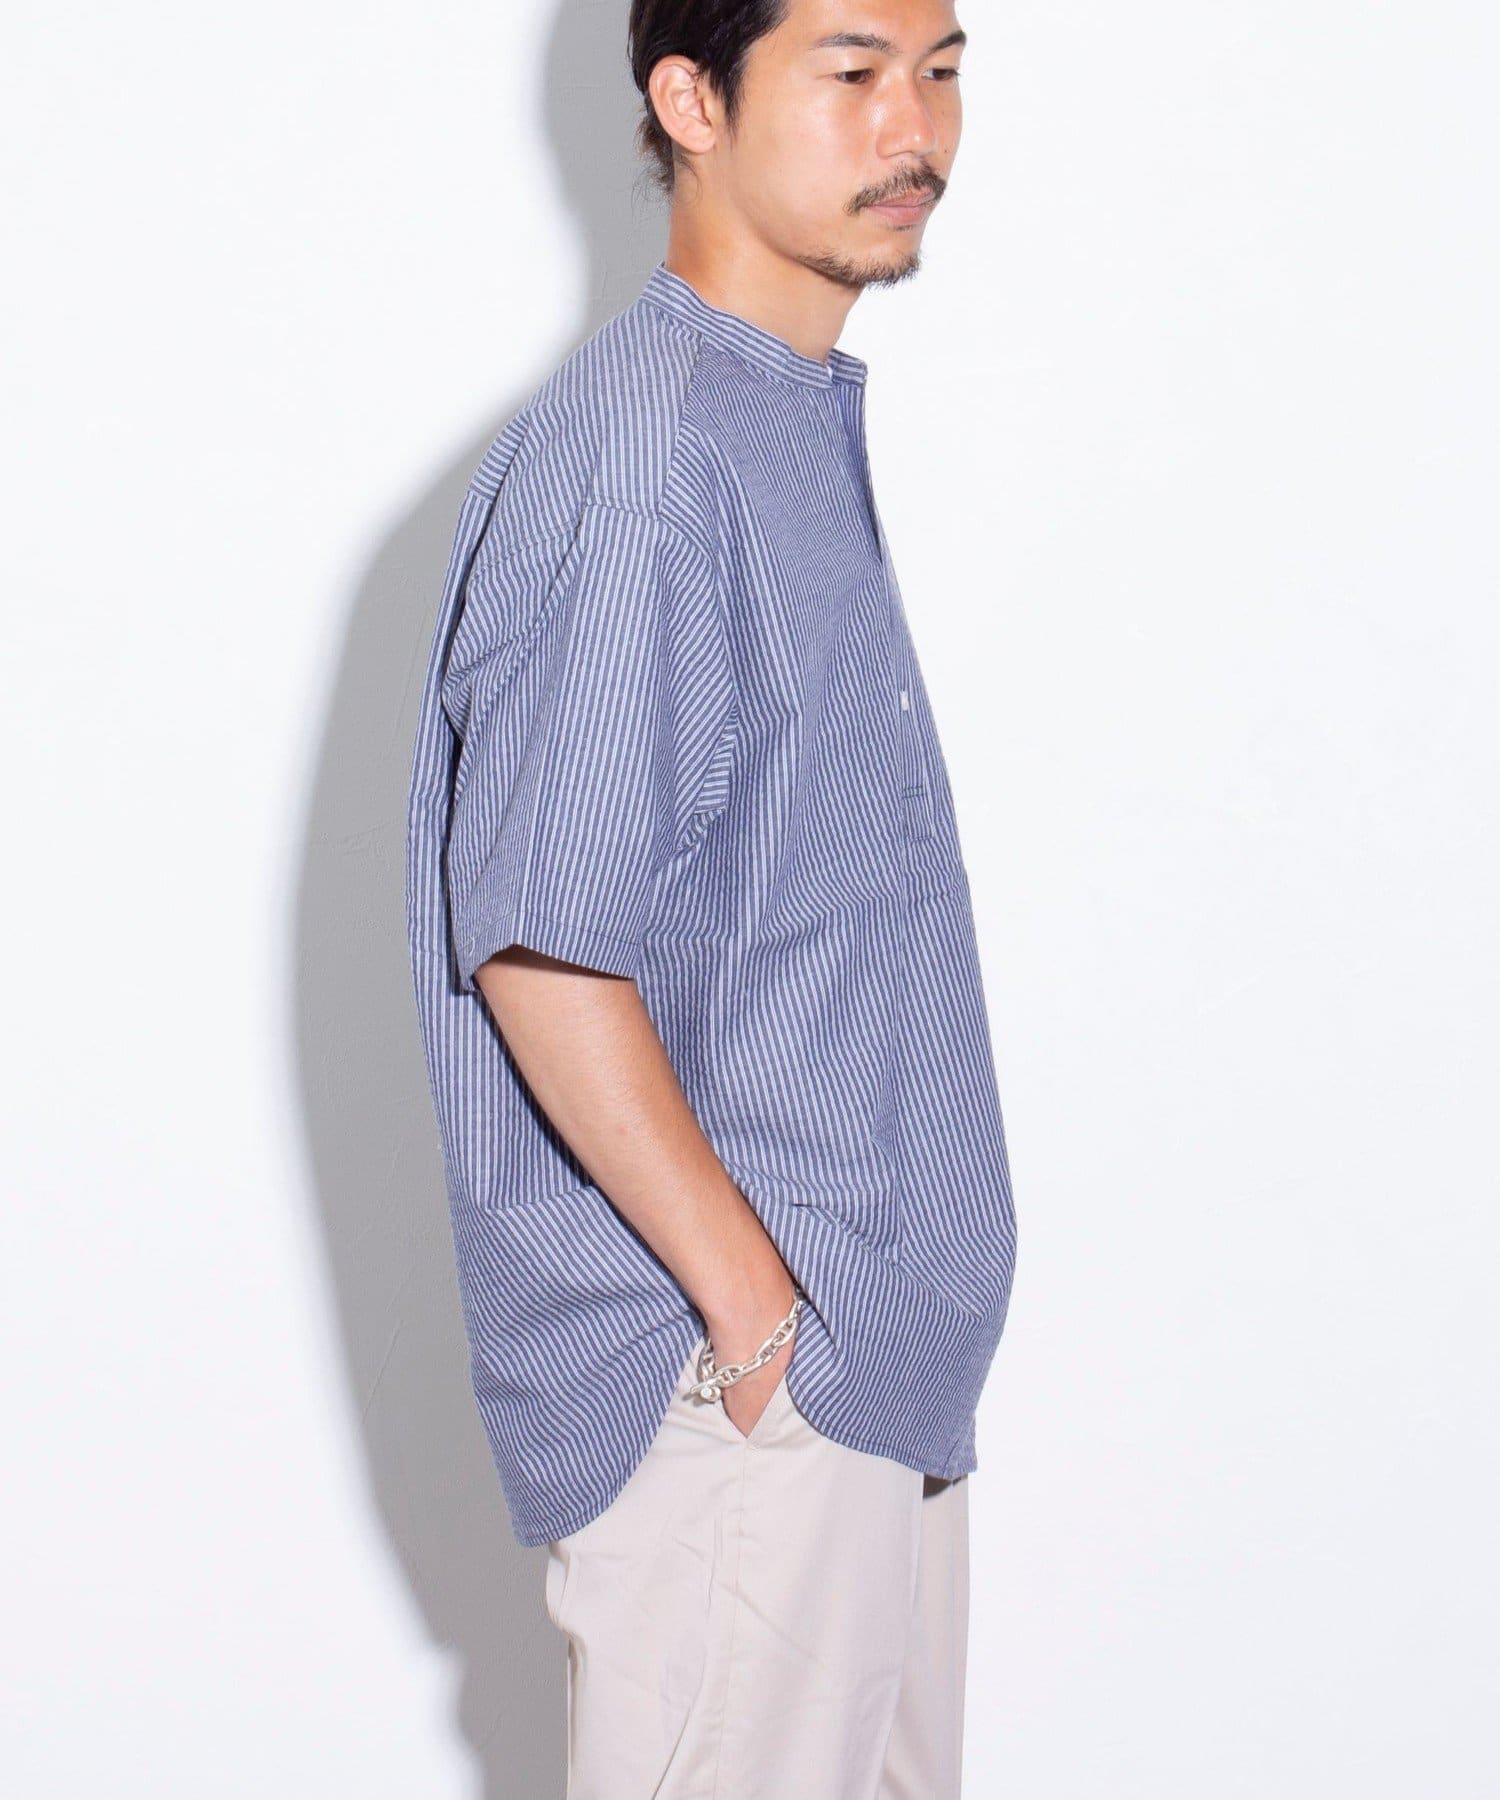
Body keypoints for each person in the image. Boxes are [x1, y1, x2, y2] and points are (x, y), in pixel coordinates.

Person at [404, 2, 1016, 1791]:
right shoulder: (647, 461)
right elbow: (541, 944)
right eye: (852, 71)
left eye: (943, 71)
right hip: (748, 1405)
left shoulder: (776, 415)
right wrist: (759, 1323)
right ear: (690, 99)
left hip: (864, 1385)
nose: (914, 129)